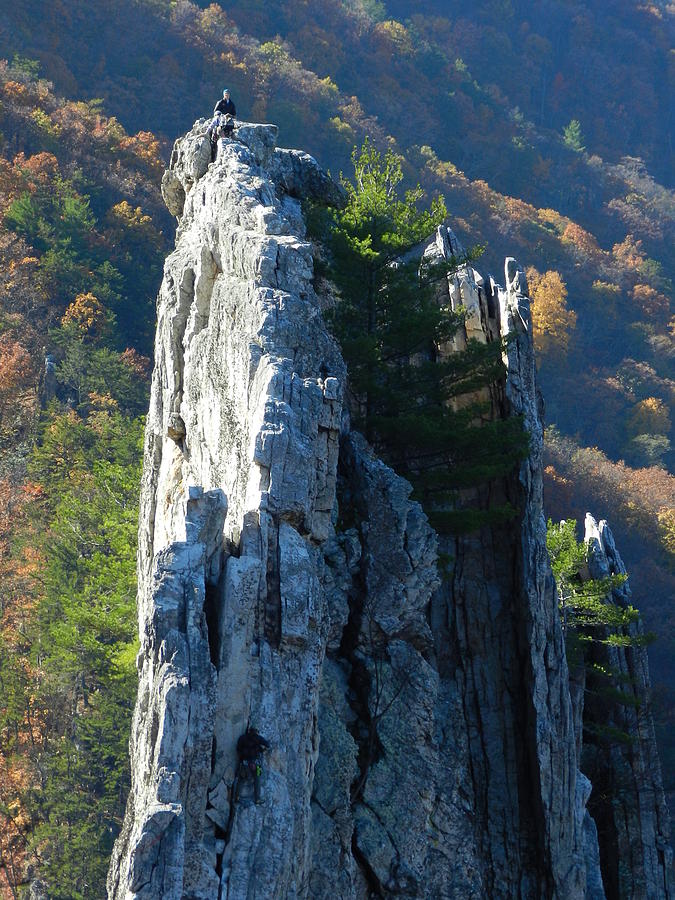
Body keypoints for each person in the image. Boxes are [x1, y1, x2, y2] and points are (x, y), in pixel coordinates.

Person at [234, 726, 270, 804]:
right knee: (257, 779)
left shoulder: (243, 738)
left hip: (245, 764)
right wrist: (261, 749)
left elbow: (238, 749)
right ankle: (257, 798)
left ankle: (236, 797)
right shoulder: (258, 738)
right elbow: (267, 744)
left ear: (249, 731)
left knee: (242, 779)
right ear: (256, 731)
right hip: (256, 764)